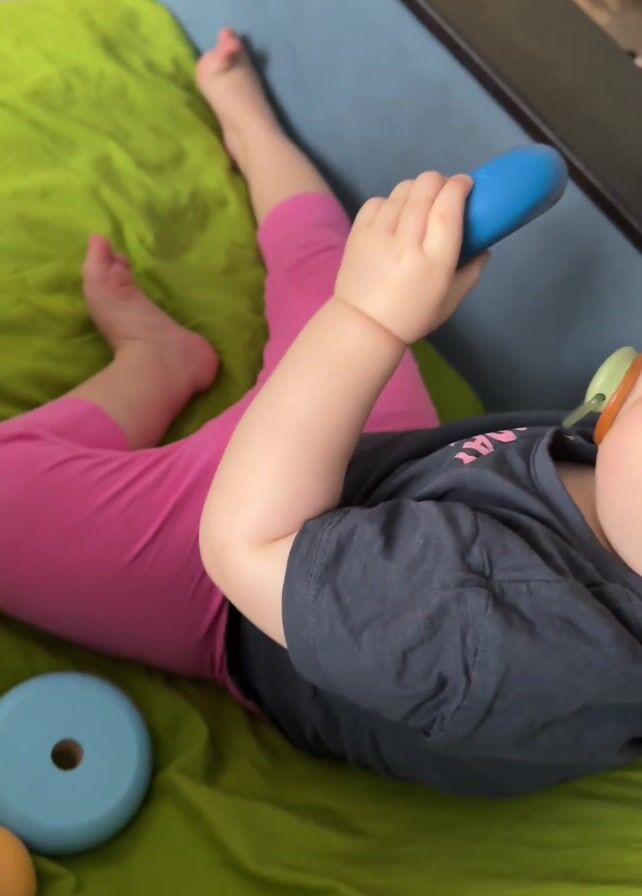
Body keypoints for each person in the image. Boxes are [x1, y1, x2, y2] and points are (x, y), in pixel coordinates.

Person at [2, 29, 642, 799]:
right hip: (375, 456)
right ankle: (253, 130)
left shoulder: (485, 628)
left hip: (235, 591)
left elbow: (246, 545)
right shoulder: (620, 487)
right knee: (337, 265)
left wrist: (367, 320)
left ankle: (156, 361)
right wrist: (364, 313)